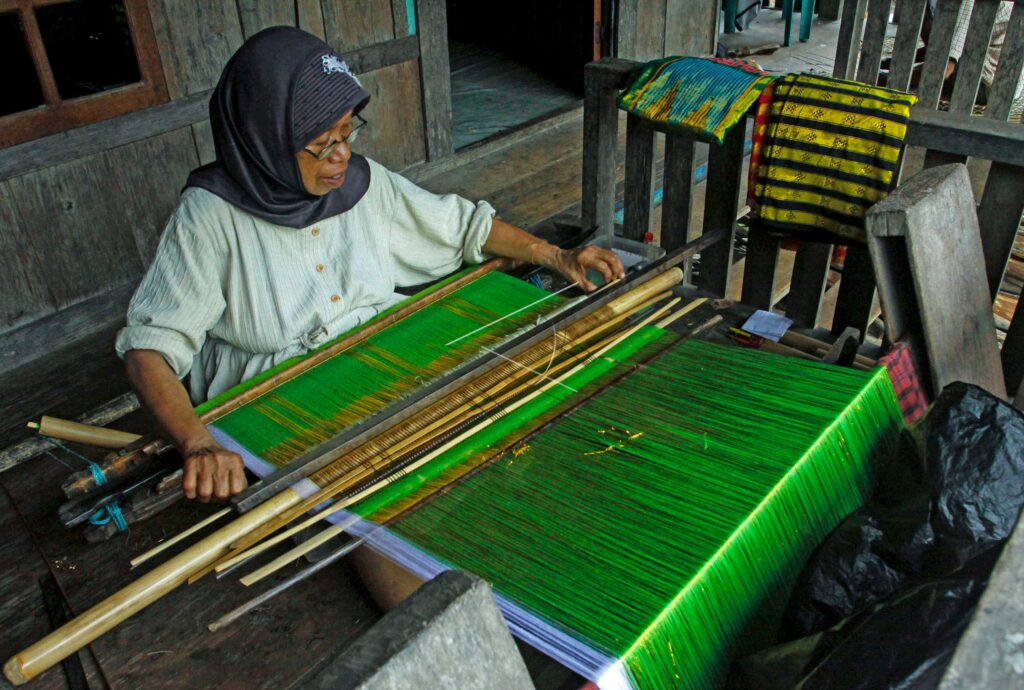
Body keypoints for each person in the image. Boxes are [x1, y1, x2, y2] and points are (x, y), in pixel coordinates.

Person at [115, 27, 624, 503]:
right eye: (322, 142)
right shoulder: (209, 217)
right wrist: (197, 443)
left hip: (381, 350)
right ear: (264, 135)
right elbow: (149, 350)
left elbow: (460, 226)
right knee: (381, 499)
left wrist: (555, 254)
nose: (340, 155)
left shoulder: (361, 183)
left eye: (347, 132)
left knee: (511, 416)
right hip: (281, 395)